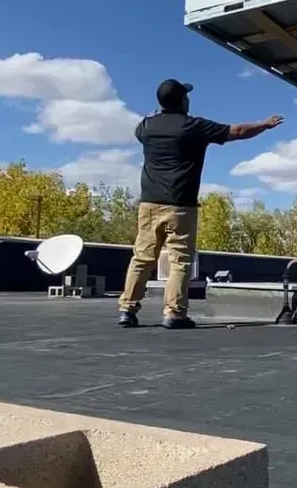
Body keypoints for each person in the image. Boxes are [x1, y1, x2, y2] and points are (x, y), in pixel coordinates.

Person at [118, 79, 283, 329]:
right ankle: (174, 314)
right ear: (182, 101)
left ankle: (127, 310)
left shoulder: (146, 127)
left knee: (142, 258)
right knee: (179, 260)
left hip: (149, 204)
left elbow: (143, 123)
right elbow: (237, 131)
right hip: (180, 205)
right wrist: (264, 125)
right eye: (186, 97)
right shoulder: (193, 127)